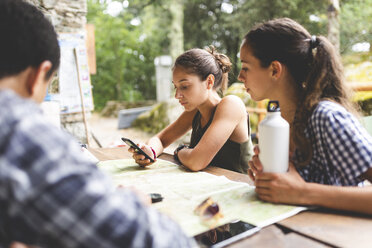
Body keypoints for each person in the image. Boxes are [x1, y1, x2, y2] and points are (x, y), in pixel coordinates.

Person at [0, 0, 195, 247]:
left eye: (184, 87)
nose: (179, 95)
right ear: (38, 75)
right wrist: (134, 202)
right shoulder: (21, 131)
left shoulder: (227, 105)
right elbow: (160, 241)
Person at [238, 18, 372, 215]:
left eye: (246, 67)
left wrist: (301, 192)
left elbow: (298, 191)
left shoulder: (326, 117)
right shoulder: (278, 121)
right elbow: (288, 189)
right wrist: (270, 181)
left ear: (275, 70)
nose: (240, 76)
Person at [130, 47, 253, 174]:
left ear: (209, 82)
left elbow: (196, 162)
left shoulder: (231, 105)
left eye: (184, 86)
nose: (177, 95)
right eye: (176, 87)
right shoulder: (196, 110)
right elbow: (161, 139)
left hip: (239, 188)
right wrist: (150, 151)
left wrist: (179, 150)